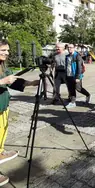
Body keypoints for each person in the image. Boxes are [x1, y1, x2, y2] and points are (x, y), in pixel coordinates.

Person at [0, 39, 38, 186]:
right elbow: (5, 81)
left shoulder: (3, 66)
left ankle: (0, 152)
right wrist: (3, 82)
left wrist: (30, 83)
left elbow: (14, 82)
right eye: (3, 50)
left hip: (3, 106)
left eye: (7, 50)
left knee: (2, 133)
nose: (7, 53)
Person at [65, 44, 91, 108]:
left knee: (78, 88)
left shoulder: (77, 56)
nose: (69, 49)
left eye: (71, 47)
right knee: (71, 89)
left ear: (74, 48)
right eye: (68, 48)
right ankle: (73, 102)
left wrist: (78, 77)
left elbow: (79, 67)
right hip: (69, 75)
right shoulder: (67, 56)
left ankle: (88, 95)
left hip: (76, 76)